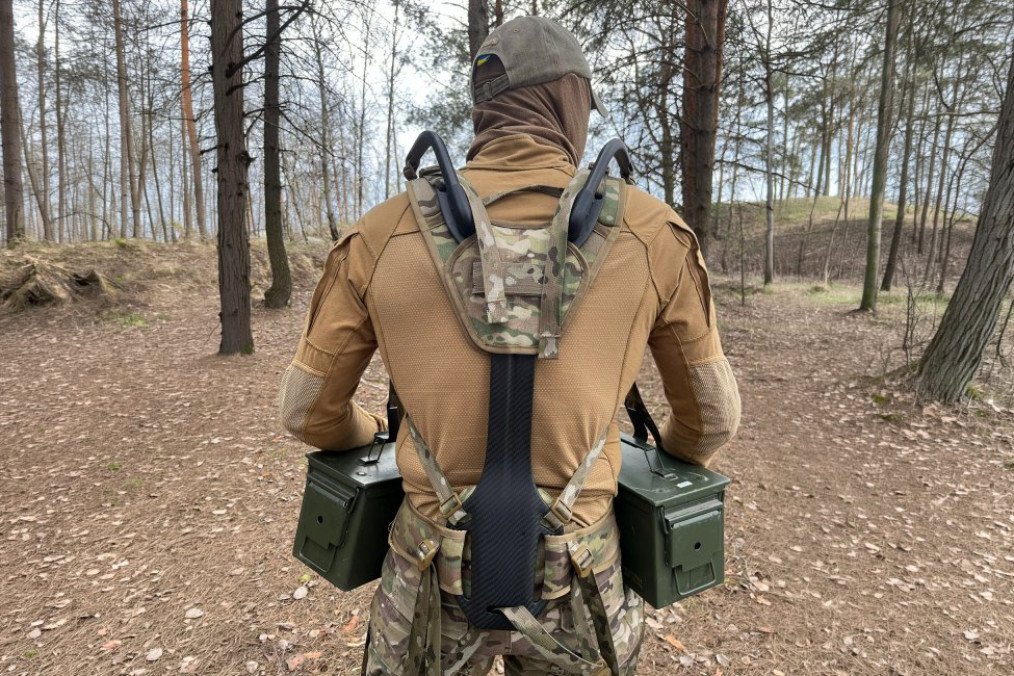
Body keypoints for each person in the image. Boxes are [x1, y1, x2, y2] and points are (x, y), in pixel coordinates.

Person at [278, 15, 740, 676]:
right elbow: (713, 417)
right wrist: (661, 450)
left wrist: (374, 431)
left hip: (428, 576)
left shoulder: (377, 237)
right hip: (581, 579)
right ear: (570, 103)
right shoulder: (653, 234)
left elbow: (304, 411)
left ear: (486, 109)